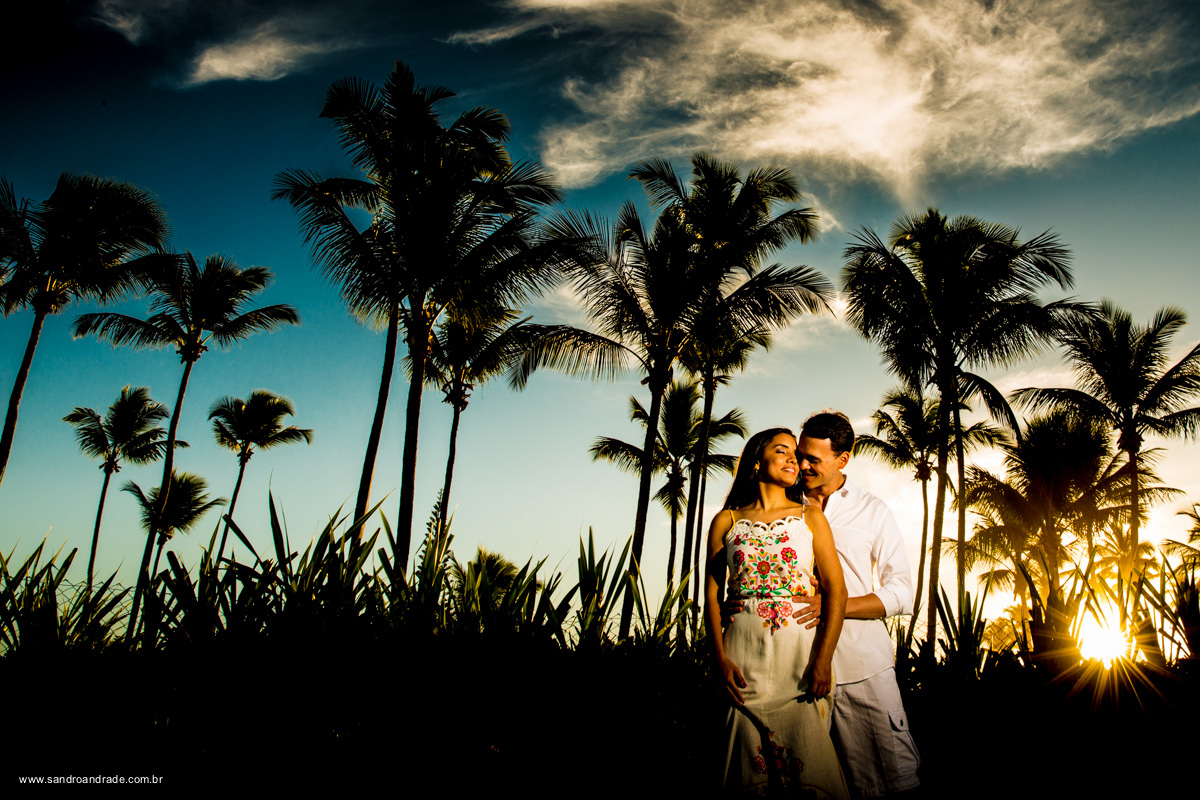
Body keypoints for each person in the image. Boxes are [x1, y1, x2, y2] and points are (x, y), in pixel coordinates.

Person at [706, 427, 850, 798]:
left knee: (811, 770)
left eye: (795, 453)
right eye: (782, 451)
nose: (794, 459)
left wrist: (823, 660)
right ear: (757, 462)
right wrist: (719, 659)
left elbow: (837, 592)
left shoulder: (811, 518)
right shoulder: (727, 521)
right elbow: (710, 595)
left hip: (799, 664)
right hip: (742, 661)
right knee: (742, 769)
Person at [788, 411, 921, 798]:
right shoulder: (781, 506)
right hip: (794, 671)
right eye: (801, 455)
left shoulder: (873, 510)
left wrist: (834, 605)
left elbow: (901, 592)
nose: (803, 465)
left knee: (888, 784)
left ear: (842, 460)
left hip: (864, 671)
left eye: (814, 459)